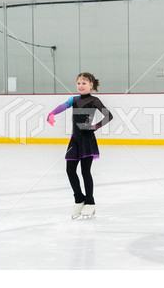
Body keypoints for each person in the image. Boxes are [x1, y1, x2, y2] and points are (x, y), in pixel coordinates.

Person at [47, 72, 113, 219]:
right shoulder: (74, 100)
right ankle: (79, 199)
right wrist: (51, 113)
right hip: (74, 140)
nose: (80, 86)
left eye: (84, 83)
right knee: (69, 170)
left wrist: (95, 126)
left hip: (87, 140)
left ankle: (90, 202)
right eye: (78, 83)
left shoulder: (94, 100)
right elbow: (62, 106)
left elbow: (109, 115)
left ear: (91, 85)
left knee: (85, 171)